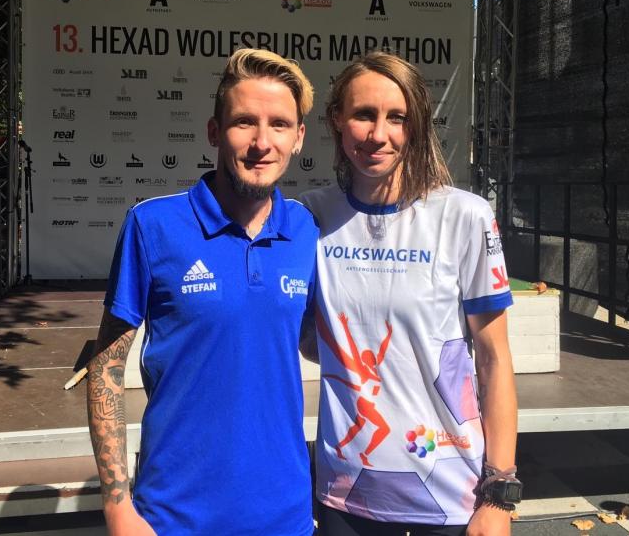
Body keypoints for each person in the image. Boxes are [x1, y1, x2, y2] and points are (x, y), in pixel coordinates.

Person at [87, 48, 318, 536]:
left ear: (298, 137)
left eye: (279, 125)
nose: (262, 142)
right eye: (244, 122)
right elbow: (105, 368)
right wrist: (117, 508)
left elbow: (314, 342)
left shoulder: (305, 230)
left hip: (284, 516)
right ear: (214, 131)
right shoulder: (152, 225)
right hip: (174, 518)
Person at [299, 51, 519, 536]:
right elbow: (308, 339)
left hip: (451, 496)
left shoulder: (465, 216)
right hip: (345, 493)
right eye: (363, 114)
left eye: (396, 117)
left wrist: (499, 495)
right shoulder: (310, 216)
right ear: (336, 120)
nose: (379, 134)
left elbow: (494, 359)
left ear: (416, 125)